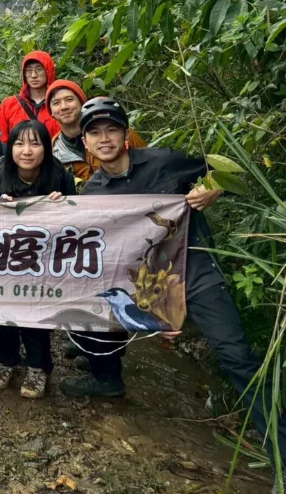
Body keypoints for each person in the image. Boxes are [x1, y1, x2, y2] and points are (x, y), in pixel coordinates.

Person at [61, 98, 286, 475]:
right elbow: (105, 258)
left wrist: (214, 189)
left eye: (112, 129)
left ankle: (279, 450)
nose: (104, 139)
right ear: (85, 142)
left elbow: (226, 172)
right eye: (95, 133)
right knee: (99, 311)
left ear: (125, 135)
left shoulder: (164, 161)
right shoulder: (93, 194)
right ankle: (105, 376)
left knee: (236, 356)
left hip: (194, 270)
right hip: (147, 286)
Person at [0, 119, 76, 399]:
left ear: (46, 148)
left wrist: (64, 207)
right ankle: (5, 361)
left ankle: (38, 367)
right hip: (5, 259)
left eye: (35, 143)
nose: (27, 150)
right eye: (20, 143)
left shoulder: (60, 177)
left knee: (35, 313)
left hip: (43, 262)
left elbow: (78, 223)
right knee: (4, 311)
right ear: (10, 148)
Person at [46, 80, 145, 184]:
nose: (64, 107)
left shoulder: (118, 133)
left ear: (82, 103)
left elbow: (147, 164)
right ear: (51, 111)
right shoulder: (53, 150)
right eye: (56, 103)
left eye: (69, 99)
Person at [0, 51, 60, 142]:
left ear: (48, 71)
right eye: (28, 70)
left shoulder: (59, 104)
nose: (33, 75)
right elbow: (1, 141)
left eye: (39, 69)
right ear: (24, 74)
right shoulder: (9, 105)